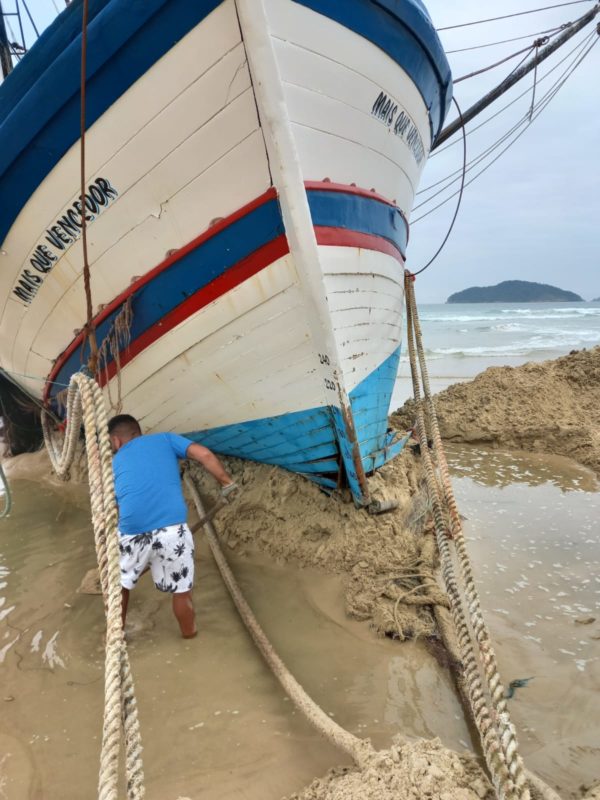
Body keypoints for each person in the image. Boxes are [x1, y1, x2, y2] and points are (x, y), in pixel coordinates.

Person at [108, 414, 237, 638]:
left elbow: (118, 503)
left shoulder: (115, 461)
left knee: (122, 586)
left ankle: (114, 636)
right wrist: (227, 483)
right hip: (172, 531)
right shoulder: (165, 439)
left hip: (131, 531)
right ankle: (190, 636)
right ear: (138, 432)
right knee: (181, 590)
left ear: (116, 441)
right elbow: (204, 455)